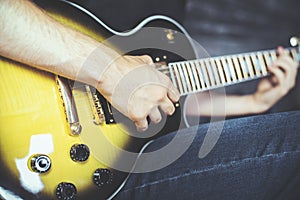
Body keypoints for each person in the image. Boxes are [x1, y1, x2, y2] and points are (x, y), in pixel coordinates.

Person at [0, 0, 299, 199]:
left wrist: (252, 104)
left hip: (114, 164)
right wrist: (110, 71)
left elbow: (156, 97)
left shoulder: (170, 13)